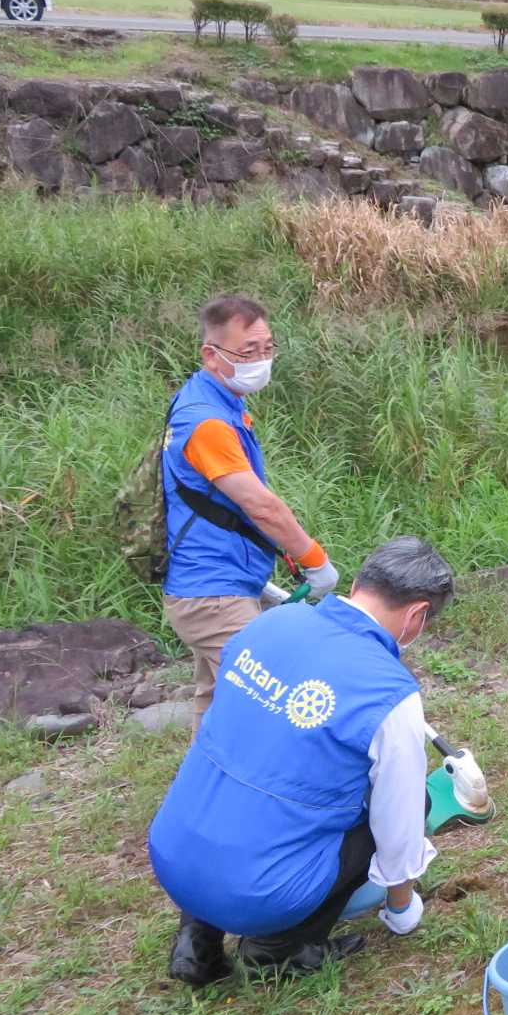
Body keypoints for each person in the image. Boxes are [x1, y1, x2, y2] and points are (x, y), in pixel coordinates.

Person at [147, 536, 455, 982]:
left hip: (172, 854)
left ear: (358, 583)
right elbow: (398, 824)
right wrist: (402, 908)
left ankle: (198, 943)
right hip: (258, 893)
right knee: (412, 803)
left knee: (240, 769)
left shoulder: (270, 623)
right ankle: (278, 949)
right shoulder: (389, 693)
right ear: (416, 614)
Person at [162, 293, 338, 727]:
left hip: (223, 581)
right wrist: (313, 560)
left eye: (267, 348)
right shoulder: (206, 422)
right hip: (212, 594)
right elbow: (260, 506)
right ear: (212, 353)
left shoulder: (213, 396)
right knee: (271, 699)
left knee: (218, 698)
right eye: (247, 351)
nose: (261, 359)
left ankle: (201, 791)